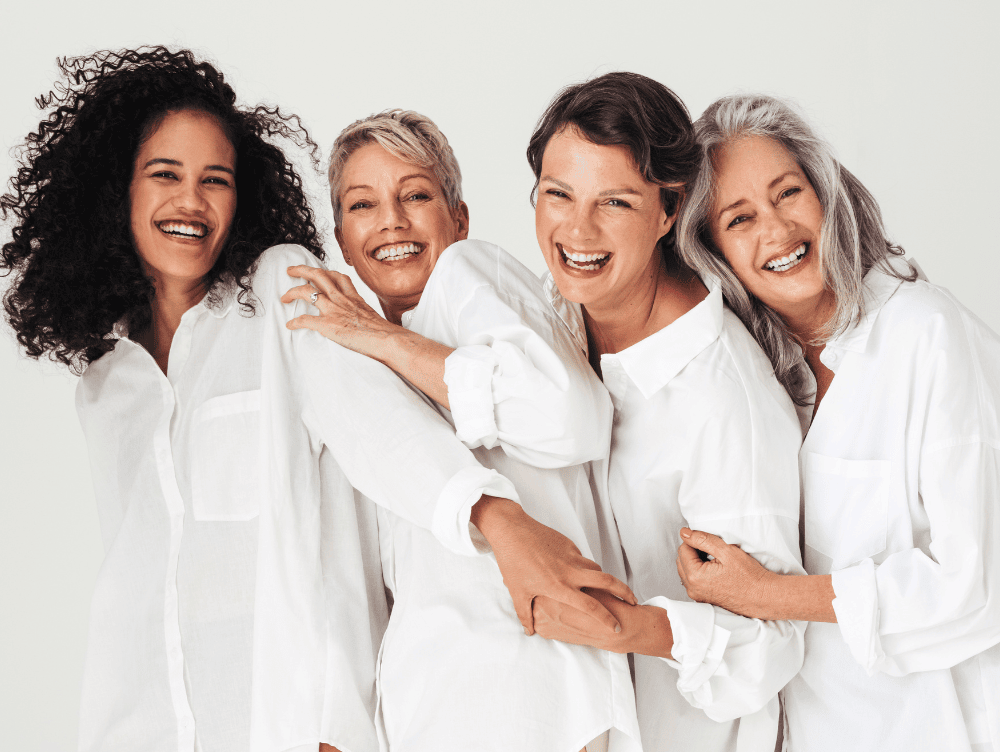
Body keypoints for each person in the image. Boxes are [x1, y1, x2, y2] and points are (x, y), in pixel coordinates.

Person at [0, 49, 604, 752]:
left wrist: (499, 521)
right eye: (165, 175)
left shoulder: (279, 292)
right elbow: (136, 589)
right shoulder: (105, 385)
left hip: (293, 729)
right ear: (117, 192)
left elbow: (383, 434)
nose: (190, 202)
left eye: (215, 180)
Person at [282, 109, 642, 752]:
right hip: (432, 707)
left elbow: (574, 419)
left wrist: (381, 336)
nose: (392, 220)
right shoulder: (362, 366)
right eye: (363, 205)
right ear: (341, 238)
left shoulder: (469, 274)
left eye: (415, 195)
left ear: (460, 218)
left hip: (535, 690)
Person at [674, 92, 1000, 752]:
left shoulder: (926, 332)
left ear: (826, 195)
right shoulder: (754, 384)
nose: (777, 229)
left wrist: (772, 595)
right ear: (715, 255)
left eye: (788, 192)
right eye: (740, 219)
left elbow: (977, 583)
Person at [523, 72, 806, 752]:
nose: (577, 229)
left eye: (614, 202)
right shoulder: (553, 312)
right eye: (558, 195)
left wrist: (625, 627)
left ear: (668, 209)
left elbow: (768, 646)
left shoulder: (723, 400)